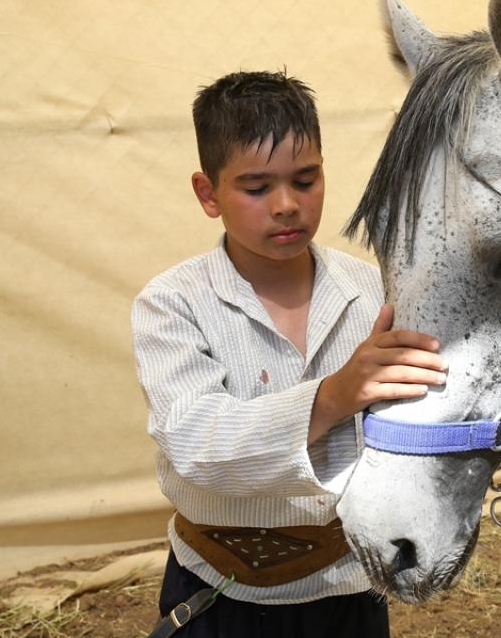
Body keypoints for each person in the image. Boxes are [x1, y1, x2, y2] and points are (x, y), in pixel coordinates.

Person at [131, 70, 446, 637]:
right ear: (208, 193)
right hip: (217, 588)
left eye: (305, 180)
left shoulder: (375, 291)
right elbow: (197, 444)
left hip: (348, 586)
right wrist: (334, 397)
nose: (286, 205)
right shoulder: (172, 302)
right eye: (256, 188)